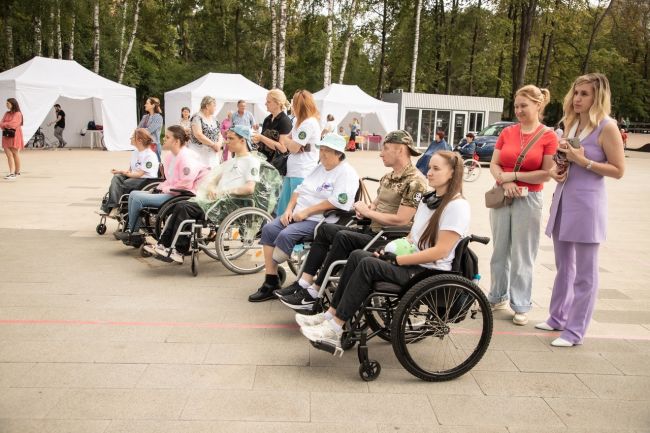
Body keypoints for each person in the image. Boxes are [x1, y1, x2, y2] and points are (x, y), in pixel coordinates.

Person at [298, 151, 470, 351]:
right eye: (429, 167)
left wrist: (399, 261)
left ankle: (335, 328)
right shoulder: (428, 200)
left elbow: (440, 252)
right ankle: (330, 315)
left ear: (452, 173)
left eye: (436, 169)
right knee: (357, 256)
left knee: (368, 265)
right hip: (414, 261)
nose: (429, 173)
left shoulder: (457, 207)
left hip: (429, 272)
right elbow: (411, 238)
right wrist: (389, 250)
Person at [277, 130, 428, 310]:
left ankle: (314, 292)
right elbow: (376, 205)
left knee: (343, 237)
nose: (380, 153)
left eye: (385, 149)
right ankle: (304, 283)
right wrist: (365, 210)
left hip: (391, 238)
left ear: (400, 150)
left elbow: (402, 220)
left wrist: (369, 213)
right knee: (325, 229)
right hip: (374, 230)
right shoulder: (388, 177)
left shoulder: (415, 181)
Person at [538, 73, 625, 347]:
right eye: (576, 93)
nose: (577, 98)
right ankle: (557, 317)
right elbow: (561, 164)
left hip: (587, 206)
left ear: (597, 97)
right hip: (564, 201)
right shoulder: (571, 125)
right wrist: (557, 169)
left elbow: (618, 170)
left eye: (584, 94)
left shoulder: (607, 127)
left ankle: (575, 331)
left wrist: (583, 161)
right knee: (564, 266)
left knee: (585, 273)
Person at [248, 133, 360, 302]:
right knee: (269, 229)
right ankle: (271, 282)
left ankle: (293, 275)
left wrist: (307, 212)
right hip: (297, 213)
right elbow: (299, 189)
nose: (321, 154)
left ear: (338, 153)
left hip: (319, 219)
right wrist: (288, 209)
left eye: (326, 151)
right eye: (321, 149)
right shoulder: (320, 167)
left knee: (286, 235)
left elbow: (338, 202)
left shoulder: (346, 173)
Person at [488, 84, 558, 326]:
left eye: (523, 106)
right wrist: (504, 181)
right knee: (499, 250)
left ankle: (521, 304)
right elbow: (494, 164)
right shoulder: (507, 132)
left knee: (522, 253)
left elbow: (546, 173)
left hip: (528, 198)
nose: (518, 110)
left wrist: (513, 177)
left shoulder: (548, 136)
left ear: (538, 105)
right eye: (516, 106)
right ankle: (496, 296)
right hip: (502, 194)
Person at [144, 125, 261, 263]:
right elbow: (214, 180)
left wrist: (224, 192)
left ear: (243, 141)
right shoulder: (231, 161)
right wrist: (212, 188)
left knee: (184, 207)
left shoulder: (252, 161)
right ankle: (164, 245)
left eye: (231, 138)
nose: (227, 141)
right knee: (179, 205)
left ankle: (178, 250)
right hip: (216, 201)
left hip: (229, 205)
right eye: (227, 138)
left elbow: (249, 188)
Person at [115, 125, 208, 245]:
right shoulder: (170, 156)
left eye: (167, 137)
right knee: (133, 195)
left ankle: (133, 232)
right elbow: (169, 179)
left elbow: (185, 183)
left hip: (180, 194)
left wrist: (165, 189)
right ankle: (132, 231)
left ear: (176, 141)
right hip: (171, 191)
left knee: (137, 198)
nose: (164, 139)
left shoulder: (186, 157)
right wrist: (158, 188)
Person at [272, 89, 321, 215]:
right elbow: (286, 140)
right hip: (293, 170)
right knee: (282, 210)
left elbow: (291, 146)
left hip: (302, 171)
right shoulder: (298, 122)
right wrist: (293, 144)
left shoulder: (308, 123)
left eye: (294, 103)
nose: (292, 106)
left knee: (293, 210)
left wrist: (293, 144)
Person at [99, 128, 159, 217]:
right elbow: (131, 170)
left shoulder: (150, 155)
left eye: (132, 137)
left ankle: (112, 207)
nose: (130, 139)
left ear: (139, 140)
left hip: (146, 179)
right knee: (117, 177)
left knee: (125, 183)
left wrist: (125, 173)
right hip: (134, 177)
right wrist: (120, 172)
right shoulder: (135, 153)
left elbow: (139, 174)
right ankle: (114, 207)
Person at [252, 89, 293, 167]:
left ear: (277, 103)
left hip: (275, 167)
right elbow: (262, 142)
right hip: (263, 163)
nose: (265, 104)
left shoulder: (284, 121)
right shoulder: (267, 119)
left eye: (268, 102)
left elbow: (283, 148)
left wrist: (261, 138)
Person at [188, 96, 223, 167]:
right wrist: (213, 145)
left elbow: (219, 134)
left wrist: (218, 144)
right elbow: (198, 134)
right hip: (199, 153)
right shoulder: (197, 117)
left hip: (213, 153)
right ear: (207, 106)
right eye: (214, 106)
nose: (215, 108)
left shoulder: (214, 119)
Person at [1, 98, 24, 180]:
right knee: (8, 154)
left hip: (15, 135)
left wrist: (5, 124)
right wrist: (6, 124)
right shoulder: (6, 113)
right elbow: (1, 123)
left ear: (13, 104)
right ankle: (12, 172)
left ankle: (16, 172)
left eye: (8, 103)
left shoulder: (18, 114)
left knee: (15, 153)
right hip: (6, 135)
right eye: (6, 103)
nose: (6, 105)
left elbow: (13, 124)